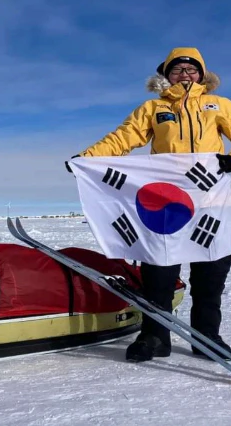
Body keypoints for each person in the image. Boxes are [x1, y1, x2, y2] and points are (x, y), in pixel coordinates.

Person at [69, 47, 231, 362]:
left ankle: (206, 337)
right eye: (177, 69)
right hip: (167, 204)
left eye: (191, 69)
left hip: (213, 202)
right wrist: (86, 160)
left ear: (201, 74)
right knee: (158, 273)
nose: (185, 74)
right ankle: (155, 337)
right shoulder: (153, 108)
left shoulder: (220, 105)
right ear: (166, 74)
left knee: (210, 276)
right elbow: (122, 138)